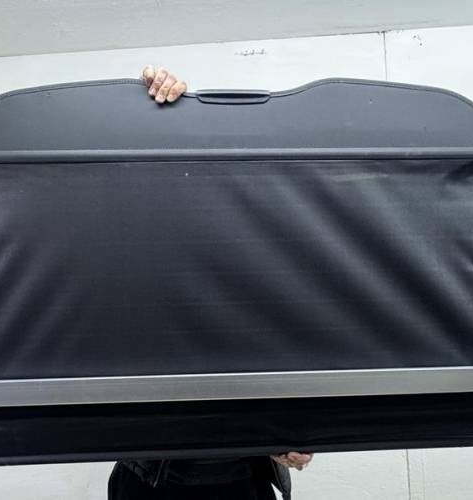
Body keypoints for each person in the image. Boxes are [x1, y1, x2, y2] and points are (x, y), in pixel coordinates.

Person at [105, 66, 314, 500]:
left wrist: (290, 436)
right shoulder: (136, 259)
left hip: (244, 481)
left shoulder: (274, 270)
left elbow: (288, 366)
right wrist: (150, 106)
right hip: (150, 481)